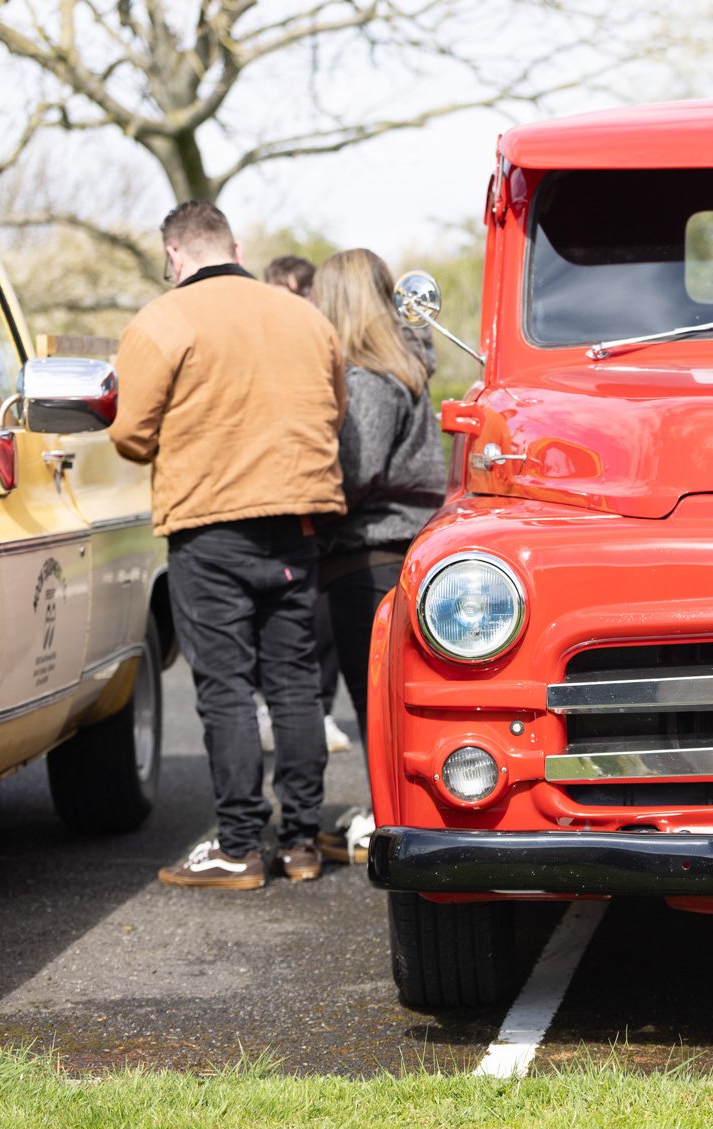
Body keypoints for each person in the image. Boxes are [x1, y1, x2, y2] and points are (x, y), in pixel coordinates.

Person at [112, 201, 347, 889]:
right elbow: (334, 408)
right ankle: (302, 839)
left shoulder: (165, 319)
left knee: (225, 690)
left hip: (211, 526)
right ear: (235, 246)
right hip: (297, 524)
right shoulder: (306, 317)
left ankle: (240, 844)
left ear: (175, 256)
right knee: (296, 682)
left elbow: (129, 431)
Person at [309, 248, 447, 863]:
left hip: (365, 558)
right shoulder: (411, 368)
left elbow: (355, 470)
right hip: (406, 549)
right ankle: (389, 810)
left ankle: (383, 817)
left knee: (373, 706)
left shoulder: (367, 380)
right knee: (394, 702)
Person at [260, 253, 353, 756]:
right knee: (297, 626)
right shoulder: (298, 336)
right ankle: (292, 711)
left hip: (300, 499)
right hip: (288, 495)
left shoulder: (316, 338)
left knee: (311, 625)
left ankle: (312, 711)